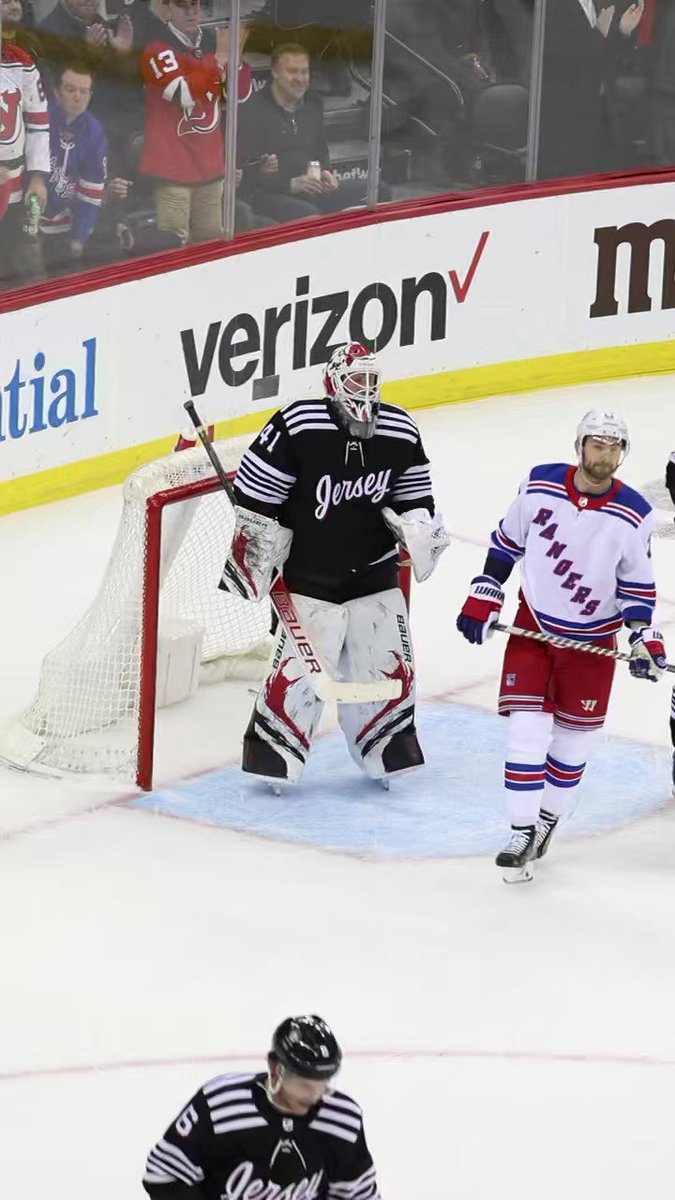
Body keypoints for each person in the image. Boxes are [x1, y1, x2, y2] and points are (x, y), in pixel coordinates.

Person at [222, 342, 450, 786]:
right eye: (355, 380)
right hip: (311, 578)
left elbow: (417, 497)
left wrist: (417, 528)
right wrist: (259, 544)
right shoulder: (299, 424)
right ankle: (273, 758)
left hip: (377, 575)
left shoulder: (400, 429)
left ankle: (388, 749)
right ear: (333, 384)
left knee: (387, 666)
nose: (365, 391)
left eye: (371, 381)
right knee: (301, 677)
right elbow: (253, 491)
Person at [457, 410, 664, 881]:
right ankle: (520, 831)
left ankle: (548, 818)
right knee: (526, 732)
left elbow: (636, 587)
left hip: (591, 642)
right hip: (535, 627)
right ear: (580, 446)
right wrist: (485, 590)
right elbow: (506, 543)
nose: (604, 455)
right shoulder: (538, 485)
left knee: (573, 742)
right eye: (597, 444)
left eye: (614, 447)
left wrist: (641, 636)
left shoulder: (634, 513)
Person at [142, 1014, 382, 1199]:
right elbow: (164, 1174)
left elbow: (359, 1194)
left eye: (323, 1084)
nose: (316, 1095)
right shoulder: (221, 1104)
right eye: (305, 1085)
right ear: (276, 1069)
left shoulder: (342, 1118)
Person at [139, 0, 252, 244]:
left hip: (210, 167)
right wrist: (220, 62)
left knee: (209, 243)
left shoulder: (214, 42)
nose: (191, 11)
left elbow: (238, 95)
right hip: (173, 168)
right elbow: (184, 95)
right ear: (168, 9)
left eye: (196, 5)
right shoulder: (157, 49)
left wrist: (237, 61)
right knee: (174, 244)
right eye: (183, 6)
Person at [237, 42, 367, 224]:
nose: (300, 78)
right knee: (308, 214)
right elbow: (243, 181)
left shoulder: (313, 103)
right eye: (292, 71)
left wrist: (326, 172)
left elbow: (321, 151)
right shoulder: (253, 111)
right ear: (275, 72)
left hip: (310, 188)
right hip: (268, 195)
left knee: (374, 190)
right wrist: (289, 185)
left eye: (304, 72)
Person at [538, 0, 645, 178]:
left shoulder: (597, 3)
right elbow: (559, 57)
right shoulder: (552, 5)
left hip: (598, 108)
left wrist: (623, 29)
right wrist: (599, 32)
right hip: (568, 113)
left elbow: (606, 54)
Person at [40, 62, 107, 270]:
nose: (77, 97)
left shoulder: (94, 132)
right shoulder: (39, 117)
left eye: (84, 91)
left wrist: (79, 239)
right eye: (70, 90)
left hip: (64, 228)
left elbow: (90, 194)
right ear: (57, 92)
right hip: (27, 226)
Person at [0, 33, 49, 284]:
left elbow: (38, 124)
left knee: (19, 268)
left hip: (16, 192)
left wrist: (38, 177)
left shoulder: (20, 62)